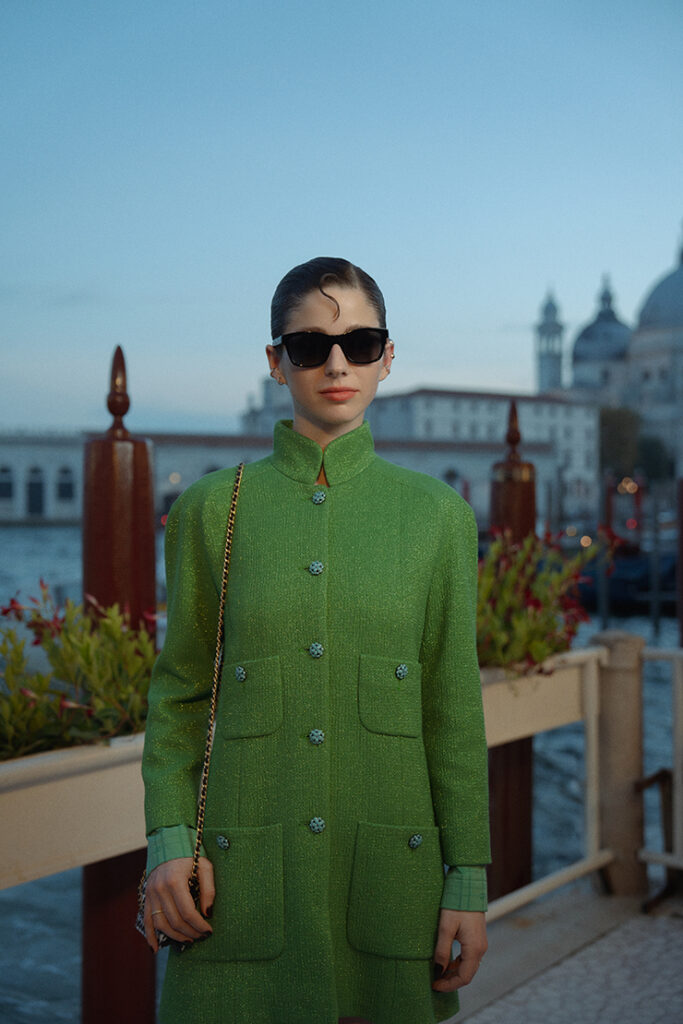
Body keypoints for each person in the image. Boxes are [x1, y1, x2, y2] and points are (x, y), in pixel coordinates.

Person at [141, 257, 491, 1024]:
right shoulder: (209, 511)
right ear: (275, 362)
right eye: (309, 346)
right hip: (238, 881)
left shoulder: (437, 518)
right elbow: (178, 695)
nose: (337, 362)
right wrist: (168, 838)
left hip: (391, 888)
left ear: (387, 357)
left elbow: (452, 709)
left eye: (361, 343)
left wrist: (466, 877)